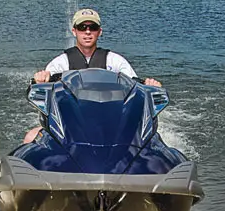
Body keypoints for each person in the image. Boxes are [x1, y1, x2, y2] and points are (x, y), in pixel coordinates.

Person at [24, 8, 161, 142]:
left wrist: (151, 86)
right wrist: (40, 80)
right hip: (69, 125)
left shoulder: (115, 61)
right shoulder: (60, 63)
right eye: (82, 27)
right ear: (74, 31)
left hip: (112, 122)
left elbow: (135, 87)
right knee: (31, 136)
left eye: (93, 27)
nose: (87, 32)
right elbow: (43, 91)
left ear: (99, 32)